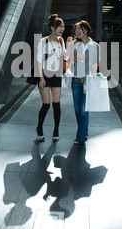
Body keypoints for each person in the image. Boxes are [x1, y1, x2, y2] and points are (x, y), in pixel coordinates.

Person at [67, 20, 100, 145]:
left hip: (88, 81)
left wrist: (94, 67)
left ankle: (80, 136)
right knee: (77, 110)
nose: (77, 31)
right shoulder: (74, 45)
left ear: (86, 30)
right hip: (76, 81)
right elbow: (68, 61)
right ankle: (84, 131)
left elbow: (97, 61)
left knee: (83, 109)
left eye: (80, 29)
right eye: (76, 30)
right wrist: (78, 57)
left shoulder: (95, 45)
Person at [36, 14, 66, 142]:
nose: (63, 29)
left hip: (57, 75)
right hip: (45, 75)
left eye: (63, 26)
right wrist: (41, 78)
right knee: (46, 105)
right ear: (52, 27)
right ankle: (39, 129)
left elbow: (64, 56)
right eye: (60, 26)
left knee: (57, 104)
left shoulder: (61, 41)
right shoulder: (43, 41)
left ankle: (56, 130)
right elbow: (39, 61)